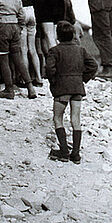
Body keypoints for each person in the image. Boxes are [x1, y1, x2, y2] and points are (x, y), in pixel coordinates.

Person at [45, 21, 98, 163]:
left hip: (62, 88)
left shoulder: (54, 51)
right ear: (73, 35)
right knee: (76, 119)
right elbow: (93, 65)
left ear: (58, 36)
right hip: (77, 88)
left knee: (58, 118)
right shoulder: (80, 50)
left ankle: (63, 151)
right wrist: (82, 79)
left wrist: (54, 82)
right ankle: (75, 154)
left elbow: (50, 70)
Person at [7, 0, 42, 86]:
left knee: (23, 49)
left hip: (20, 12)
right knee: (32, 48)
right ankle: (38, 77)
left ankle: (25, 79)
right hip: (31, 11)